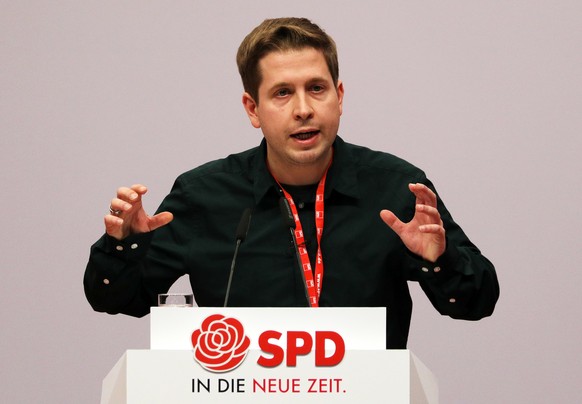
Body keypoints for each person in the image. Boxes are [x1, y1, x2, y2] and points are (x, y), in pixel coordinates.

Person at [84, 17, 499, 349]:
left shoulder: (396, 189)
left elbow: (475, 302)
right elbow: (117, 299)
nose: (303, 109)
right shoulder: (204, 196)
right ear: (253, 108)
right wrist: (125, 245)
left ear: (339, 97)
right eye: (282, 93)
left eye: (316, 89)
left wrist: (438, 260)